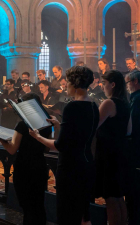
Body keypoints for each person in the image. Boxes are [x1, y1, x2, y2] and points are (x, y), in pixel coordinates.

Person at [29, 66, 99, 225]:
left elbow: (61, 145)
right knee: (83, 213)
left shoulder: (71, 107)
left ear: (74, 84)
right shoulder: (93, 105)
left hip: (70, 167)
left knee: (67, 212)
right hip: (87, 163)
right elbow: (81, 135)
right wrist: (60, 126)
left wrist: (38, 137)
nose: (65, 85)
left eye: (67, 82)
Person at [0, 93, 51, 225]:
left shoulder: (22, 125)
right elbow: (47, 148)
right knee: (38, 205)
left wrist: (1, 140)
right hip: (39, 165)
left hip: (24, 167)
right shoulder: (46, 122)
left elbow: (12, 149)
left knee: (27, 207)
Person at [95, 70, 132, 225]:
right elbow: (129, 130)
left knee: (110, 197)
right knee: (118, 196)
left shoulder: (109, 103)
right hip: (120, 153)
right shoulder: (125, 103)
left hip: (108, 155)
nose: (103, 87)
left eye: (104, 84)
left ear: (113, 84)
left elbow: (93, 125)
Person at [125, 70, 140, 225]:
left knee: (134, 192)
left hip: (135, 149)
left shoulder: (136, 99)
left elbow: (133, 126)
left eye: (128, 82)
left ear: (135, 82)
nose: (127, 86)